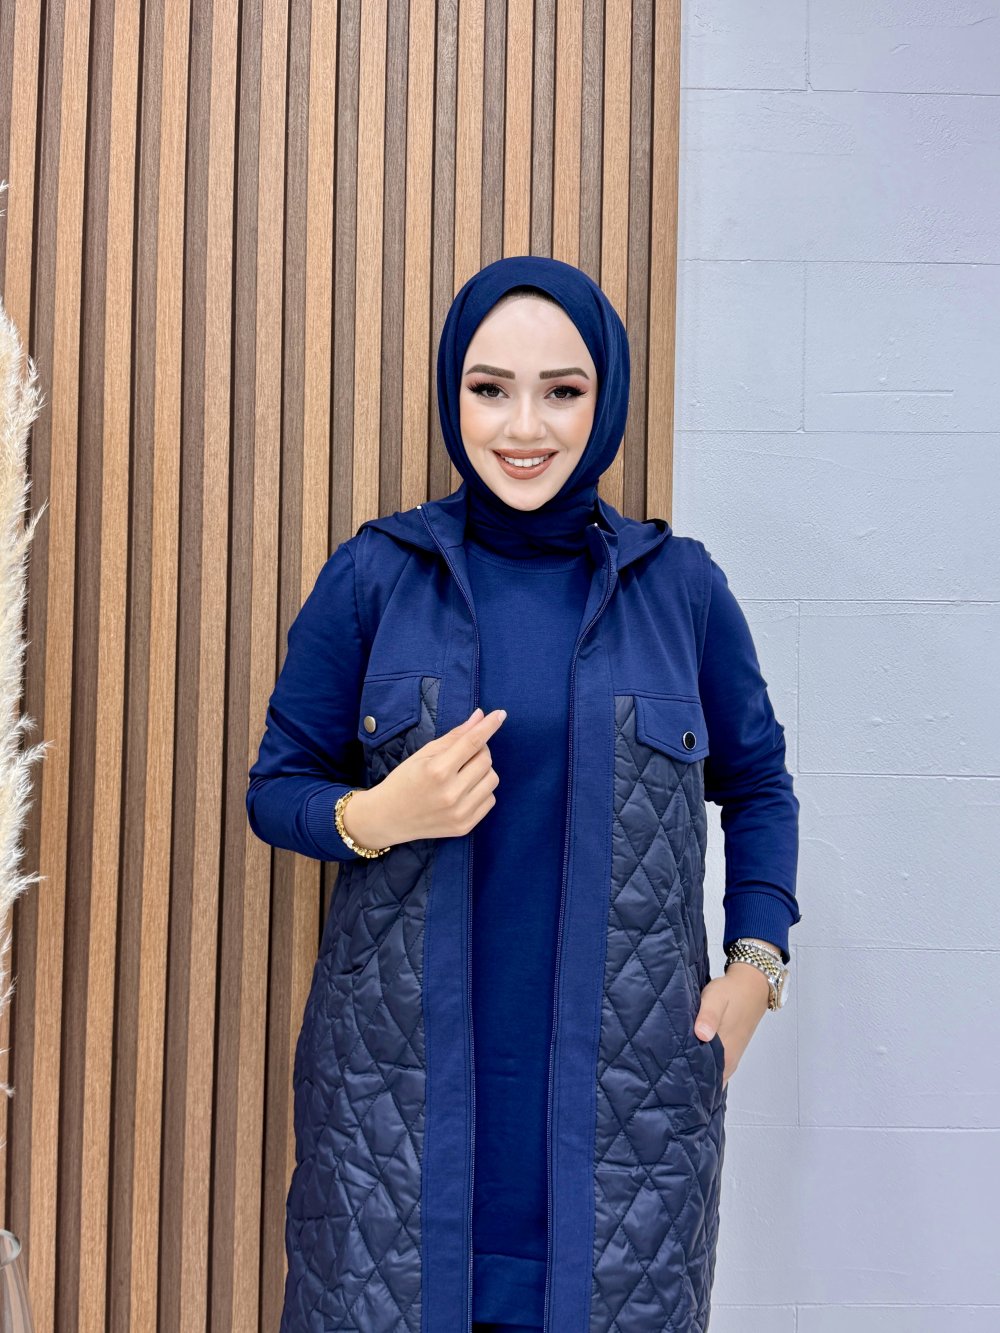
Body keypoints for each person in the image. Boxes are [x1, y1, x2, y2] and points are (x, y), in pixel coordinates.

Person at [247, 255, 801, 1333]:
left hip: (628, 1121)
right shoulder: (375, 576)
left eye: (562, 390)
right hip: (396, 1116)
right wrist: (376, 814)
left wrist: (756, 964)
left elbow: (760, 783)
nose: (524, 426)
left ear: (606, 400)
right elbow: (278, 788)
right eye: (490, 388)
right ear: (453, 394)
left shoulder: (680, 590)